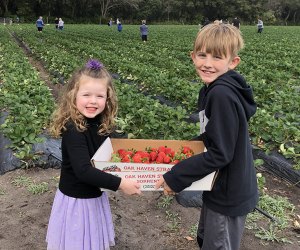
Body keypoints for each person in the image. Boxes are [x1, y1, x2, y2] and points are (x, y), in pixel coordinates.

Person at [155, 23, 258, 250]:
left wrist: (177, 176)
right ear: (193, 56)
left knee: (218, 244)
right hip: (220, 184)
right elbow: (212, 135)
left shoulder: (221, 94)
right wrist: (185, 149)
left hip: (227, 191)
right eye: (202, 55)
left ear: (233, 62)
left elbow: (221, 153)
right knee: (208, 239)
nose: (207, 63)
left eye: (217, 57)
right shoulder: (212, 88)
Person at [46, 59, 141, 250]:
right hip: (77, 201)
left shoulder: (101, 124)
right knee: (78, 242)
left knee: (90, 240)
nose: (93, 101)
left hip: (94, 196)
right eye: (86, 95)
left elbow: (116, 152)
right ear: (73, 96)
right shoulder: (73, 130)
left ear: (108, 99)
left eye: (99, 96)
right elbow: (83, 171)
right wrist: (120, 183)